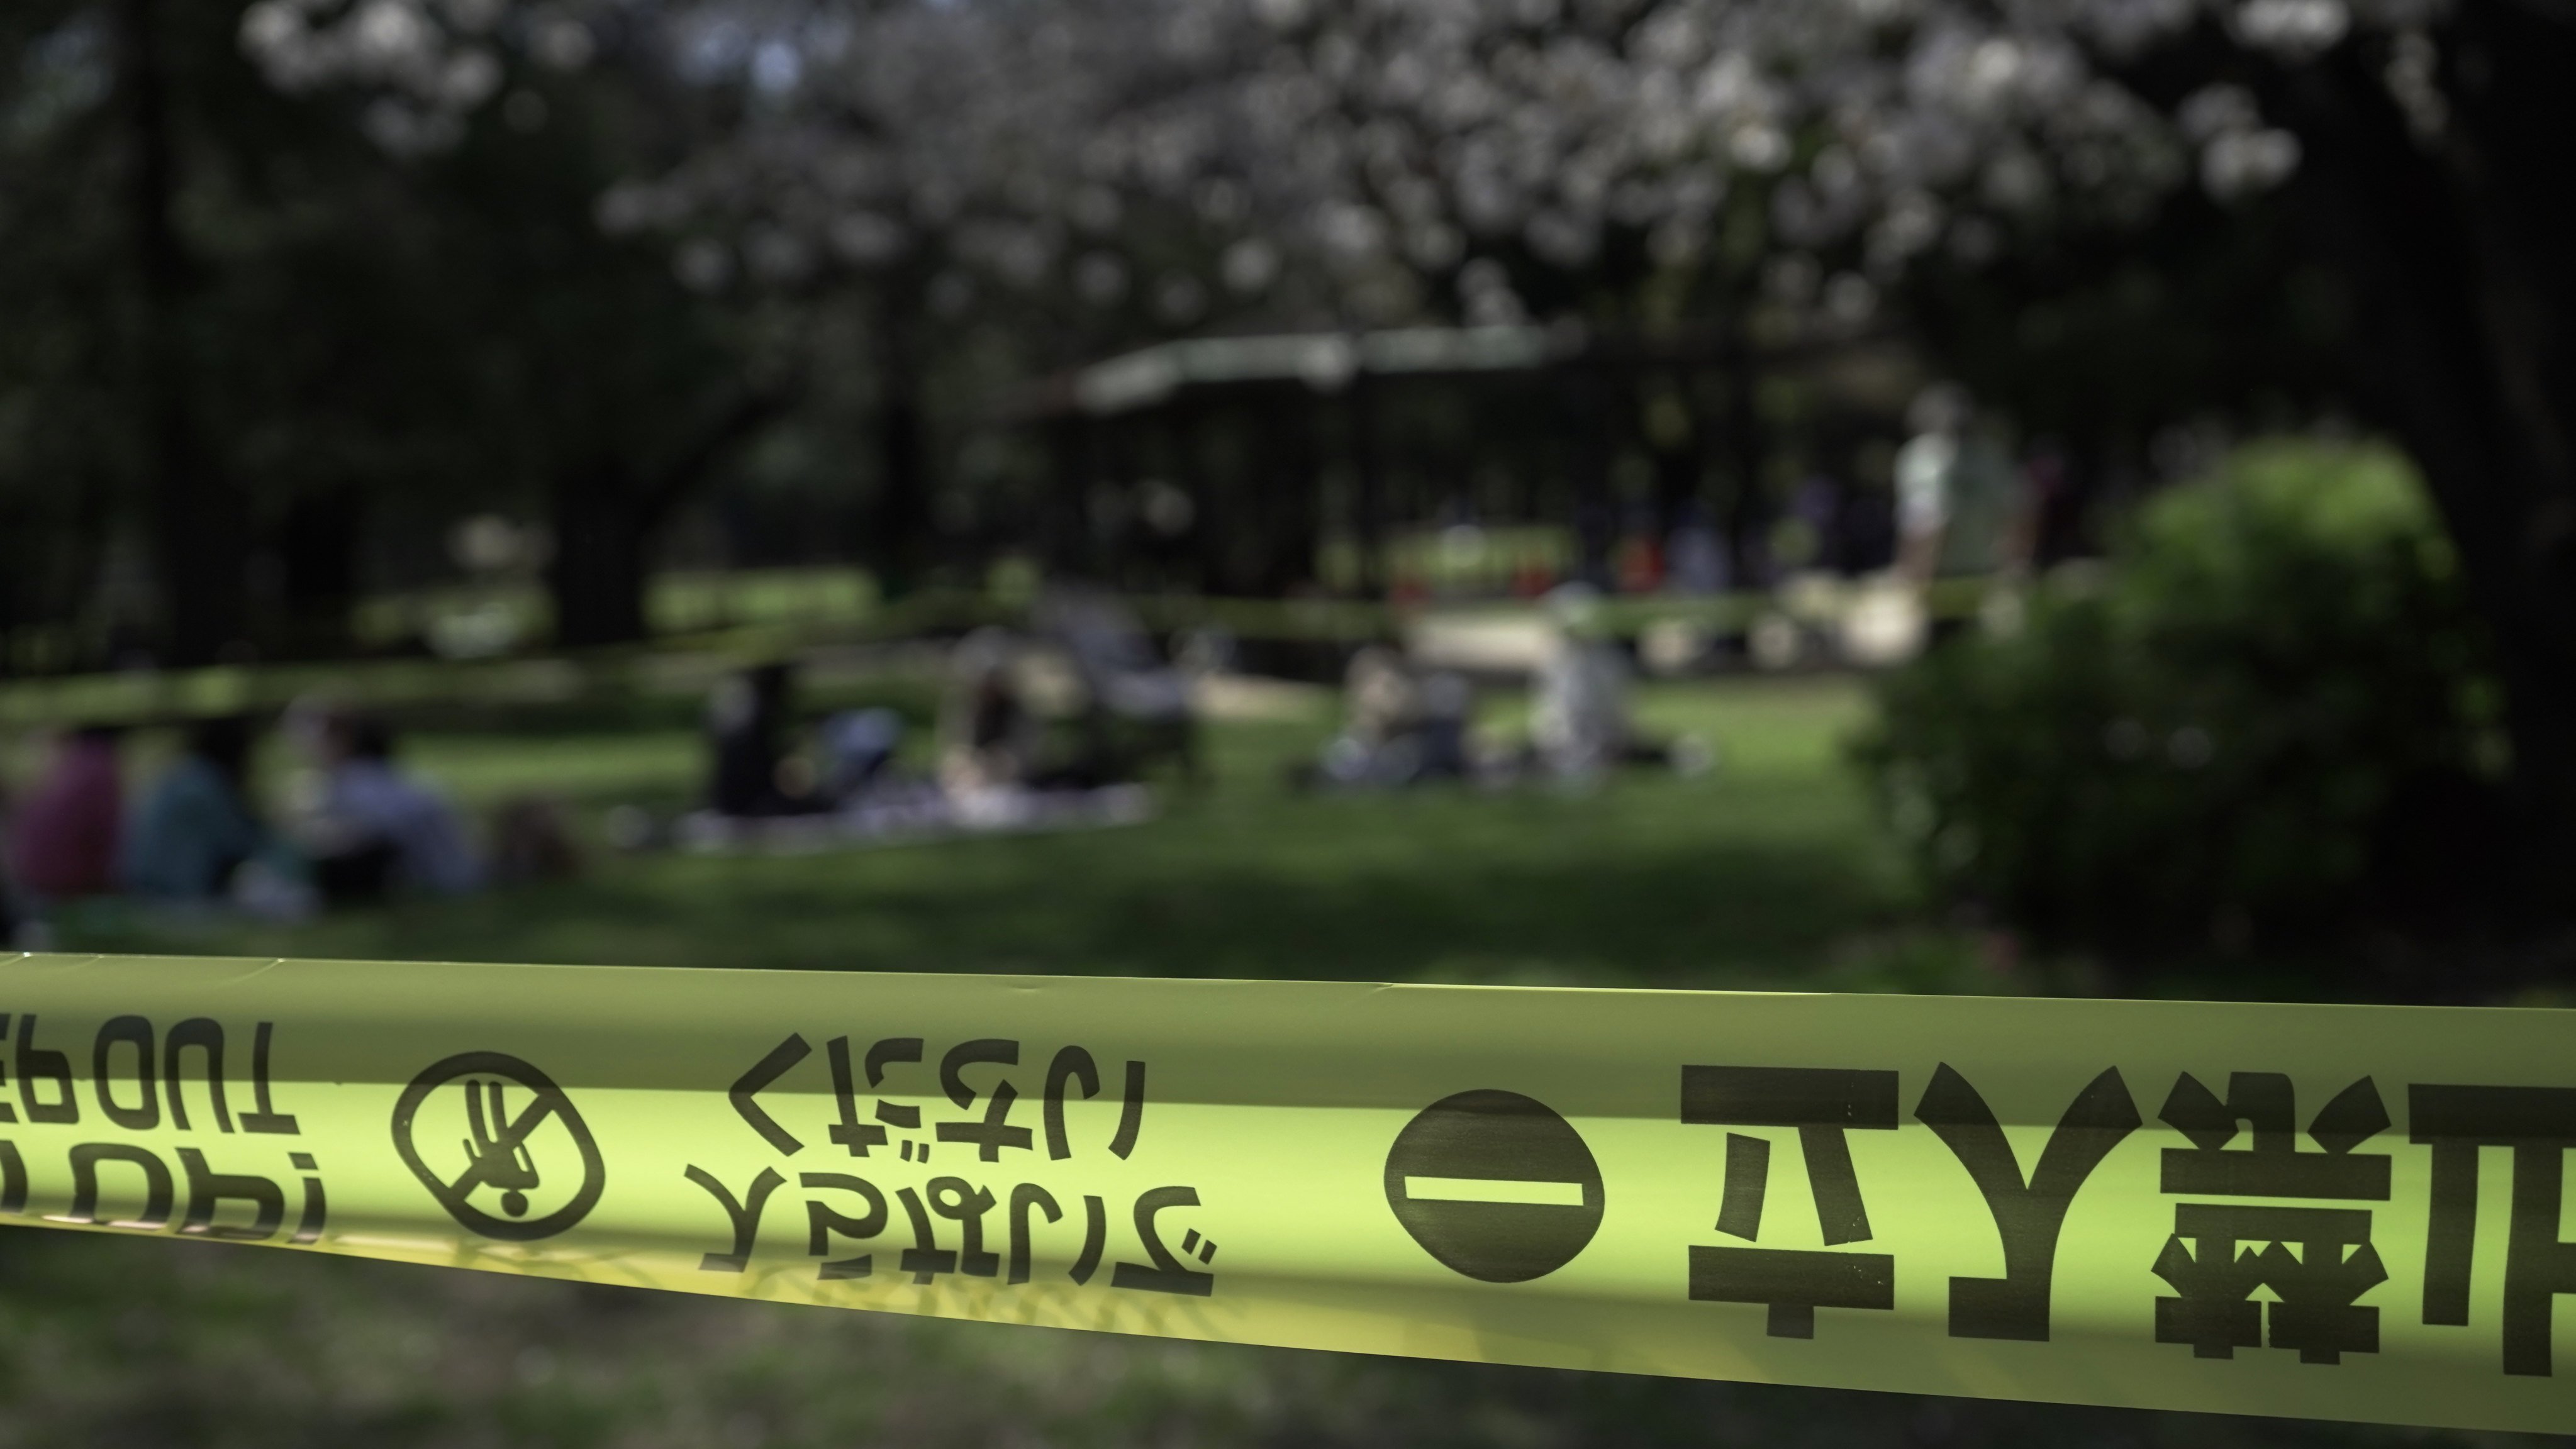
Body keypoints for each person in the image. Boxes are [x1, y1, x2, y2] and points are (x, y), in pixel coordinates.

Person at [308, 712, 481, 900]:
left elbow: (360, 840)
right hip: (462, 872)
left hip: (425, 881)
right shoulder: (407, 778)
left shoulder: (351, 784)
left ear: (343, 741)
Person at [122, 716, 272, 901]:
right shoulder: (204, 784)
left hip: (146, 883)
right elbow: (240, 841)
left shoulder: (183, 773)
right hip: (172, 894)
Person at [5, 726, 123, 904]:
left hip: (30, 876)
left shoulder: (70, 768)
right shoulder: (99, 768)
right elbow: (107, 832)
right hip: (66, 884)